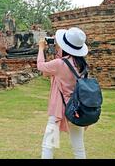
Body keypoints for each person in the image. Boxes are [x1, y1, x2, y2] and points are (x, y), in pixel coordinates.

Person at [37, 27, 89, 159]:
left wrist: (41, 48)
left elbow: (41, 66)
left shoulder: (60, 64)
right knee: (79, 148)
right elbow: (48, 73)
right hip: (76, 109)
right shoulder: (82, 64)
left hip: (59, 109)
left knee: (48, 145)